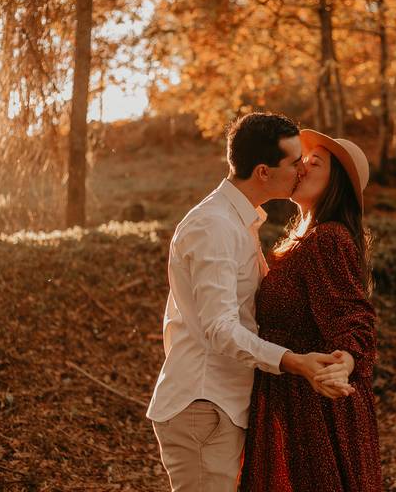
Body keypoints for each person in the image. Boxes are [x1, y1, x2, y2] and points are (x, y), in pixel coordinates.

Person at [146, 113, 355, 492]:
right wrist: (294, 362)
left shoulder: (240, 222)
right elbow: (220, 329)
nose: (301, 170)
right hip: (204, 404)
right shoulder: (214, 226)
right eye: (294, 162)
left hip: (222, 405)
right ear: (263, 171)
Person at [240, 129, 381, 491]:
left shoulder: (328, 240)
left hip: (315, 408)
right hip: (295, 398)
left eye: (314, 162)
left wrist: (346, 362)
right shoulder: (304, 240)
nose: (301, 167)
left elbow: (354, 316)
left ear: (338, 184)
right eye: (302, 160)